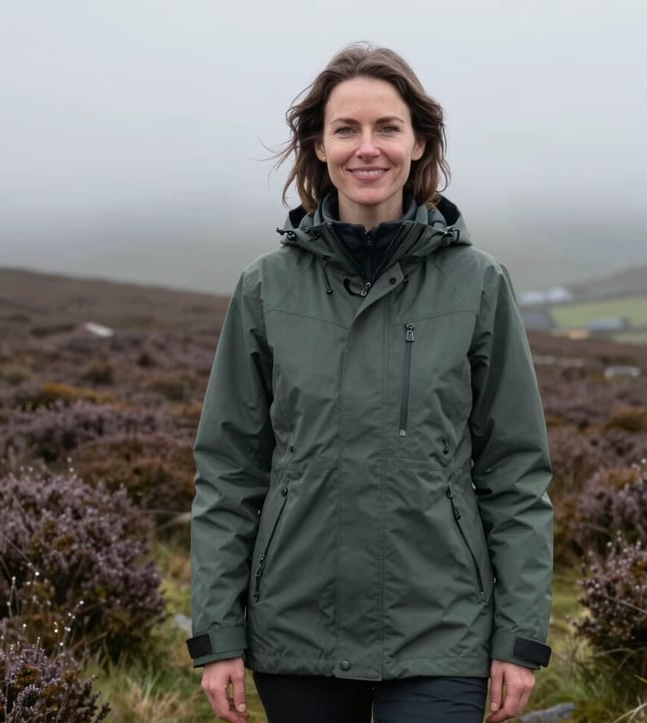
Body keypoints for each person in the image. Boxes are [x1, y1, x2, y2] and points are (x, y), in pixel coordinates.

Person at [187, 42, 553, 723]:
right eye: (346, 129)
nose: (368, 148)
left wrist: (520, 637)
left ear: (419, 142)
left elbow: (516, 472)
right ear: (319, 146)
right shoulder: (265, 288)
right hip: (294, 627)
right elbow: (229, 472)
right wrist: (217, 635)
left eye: (387, 127)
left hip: (442, 630)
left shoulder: (478, 283)